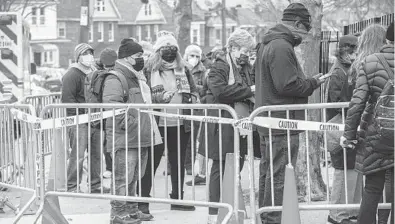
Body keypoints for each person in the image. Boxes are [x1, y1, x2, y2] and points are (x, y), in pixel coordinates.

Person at [254, 3, 324, 223]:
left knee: (269, 174)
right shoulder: (281, 46)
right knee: (279, 176)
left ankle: (267, 216)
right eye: (305, 29)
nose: (305, 35)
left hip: (271, 121)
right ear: (296, 23)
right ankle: (272, 219)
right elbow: (287, 85)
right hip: (282, 122)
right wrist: (312, 83)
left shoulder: (268, 44)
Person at [138, 30, 198, 216]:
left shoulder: (184, 68)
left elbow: (194, 91)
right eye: (165, 47)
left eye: (172, 48)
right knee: (151, 163)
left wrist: (193, 99)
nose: (169, 50)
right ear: (158, 50)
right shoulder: (149, 69)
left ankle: (177, 198)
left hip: (180, 123)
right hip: (157, 122)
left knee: (178, 162)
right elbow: (143, 94)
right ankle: (143, 201)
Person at [198, 28, 255, 223]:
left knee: (236, 166)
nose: (246, 55)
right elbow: (220, 92)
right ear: (232, 48)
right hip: (222, 124)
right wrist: (248, 91)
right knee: (219, 167)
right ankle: (213, 213)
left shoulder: (244, 66)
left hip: (239, 122)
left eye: (248, 51)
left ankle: (229, 207)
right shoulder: (219, 66)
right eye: (243, 51)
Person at [102, 39, 161, 224]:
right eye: (138, 56)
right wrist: (133, 124)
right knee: (122, 178)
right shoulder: (116, 77)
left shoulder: (135, 75)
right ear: (127, 58)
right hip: (126, 137)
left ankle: (131, 209)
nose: (141, 59)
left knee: (134, 176)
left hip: (138, 135)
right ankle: (118, 213)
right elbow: (112, 106)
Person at [341, 22, 393, 224]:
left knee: (372, 189)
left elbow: (357, 102)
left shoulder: (370, 62)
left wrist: (349, 134)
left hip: (376, 135)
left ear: (387, 40)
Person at [324, 35, 362, 224]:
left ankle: (350, 212)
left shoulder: (344, 69)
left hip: (344, 123)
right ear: (347, 50)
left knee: (352, 168)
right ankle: (338, 214)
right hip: (339, 125)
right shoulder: (340, 71)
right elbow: (338, 102)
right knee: (343, 168)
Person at [61, 43, 109, 193]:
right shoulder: (72, 74)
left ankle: (95, 185)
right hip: (79, 121)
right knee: (78, 156)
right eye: (84, 53)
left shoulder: (95, 72)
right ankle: (73, 187)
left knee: (96, 156)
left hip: (96, 120)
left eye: (90, 52)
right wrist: (81, 115)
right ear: (78, 56)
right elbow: (68, 100)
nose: (88, 56)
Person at [183, 44, 207, 185]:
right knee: (181, 139)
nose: (194, 58)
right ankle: (179, 165)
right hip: (183, 109)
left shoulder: (203, 71)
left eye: (197, 56)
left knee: (193, 140)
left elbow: (204, 89)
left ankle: (191, 166)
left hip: (196, 110)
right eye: (192, 55)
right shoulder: (181, 69)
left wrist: (192, 88)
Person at [92, 48, 118, 179]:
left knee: (109, 141)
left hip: (108, 112)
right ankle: (110, 167)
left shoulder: (99, 73)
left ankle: (111, 168)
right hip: (105, 113)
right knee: (108, 141)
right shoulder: (99, 74)